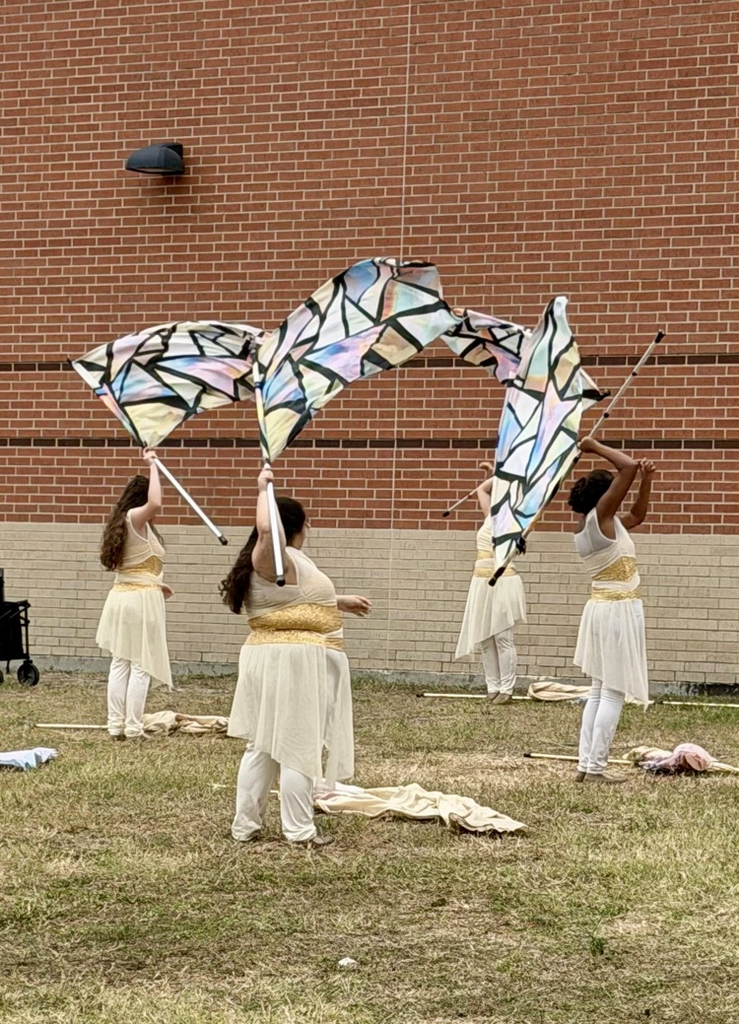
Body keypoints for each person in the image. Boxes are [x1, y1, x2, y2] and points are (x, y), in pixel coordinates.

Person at [221, 468, 371, 850]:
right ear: (298, 524)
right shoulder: (273, 555)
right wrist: (262, 489)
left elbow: (289, 600)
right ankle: (299, 829)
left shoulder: (287, 562)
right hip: (290, 659)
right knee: (296, 742)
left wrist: (340, 602)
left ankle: (246, 824)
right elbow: (269, 534)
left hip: (279, 655)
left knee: (267, 745)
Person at [569, 437, 655, 784]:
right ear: (606, 496)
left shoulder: (603, 524)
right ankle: (596, 768)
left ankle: (586, 764)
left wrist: (647, 481)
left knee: (599, 689)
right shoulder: (601, 519)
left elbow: (638, 515)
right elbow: (628, 466)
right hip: (618, 609)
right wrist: (593, 445)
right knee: (613, 691)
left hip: (603, 608)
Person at [96, 449, 173, 740]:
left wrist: (159, 585)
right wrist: (154, 465)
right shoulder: (134, 519)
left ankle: (116, 724)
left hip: (127, 596)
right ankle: (132, 725)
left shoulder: (126, 524)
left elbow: (136, 568)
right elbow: (156, 502)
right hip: (138, 601)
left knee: (122, 661)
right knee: (139, 664)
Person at [455, 462, 527, 704]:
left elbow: (519, 489)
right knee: (484, 637)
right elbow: (481, 490)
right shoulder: (490, 517)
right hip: (481, 581)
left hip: (503, 581)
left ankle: (507, 688)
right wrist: (495, 474)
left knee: (502, 637)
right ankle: (492, 686)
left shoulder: (516, 521)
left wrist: (502, 476)